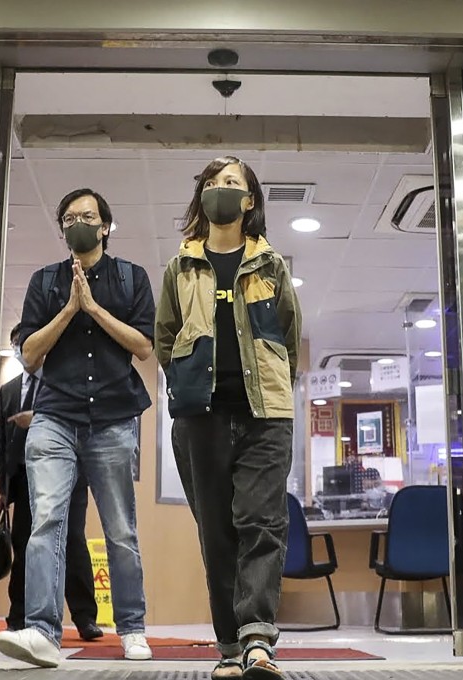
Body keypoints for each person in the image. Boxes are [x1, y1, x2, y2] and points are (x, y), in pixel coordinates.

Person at [0, 188, 156, 668]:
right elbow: (28, 354)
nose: (78, 223)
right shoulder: (45, 282)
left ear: (105, 225)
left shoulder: (131, 278)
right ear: (61, 229)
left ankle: (132, 628)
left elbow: (144, 346)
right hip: (55, 416)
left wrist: (94, 308)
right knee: (45, 520)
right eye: (68, 218)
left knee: (120, 530)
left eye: (87, 216)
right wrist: (69, 308)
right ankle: (43, 631)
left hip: (112, 418)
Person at [155, 156, 302, 680]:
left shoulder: (271, 265)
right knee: (217, 532)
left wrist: (273, 381)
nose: (221, 190)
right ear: (202, 199)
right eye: (213, 184)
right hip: (201, 417)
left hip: (266, 415)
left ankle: (258, 642)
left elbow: (288, 336)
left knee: (262, 525)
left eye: (231, 184)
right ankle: (228, 649)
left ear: (249, 201)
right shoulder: (180, 267)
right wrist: (187, 383)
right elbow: (165, 340)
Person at [0, 323, 102, 642]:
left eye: (24, 342)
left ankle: (85, 618)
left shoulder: (64, 383)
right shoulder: (9, 390)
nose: (20, 348)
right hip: (26, 477)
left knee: (72, 541)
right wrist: (4, 487)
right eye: (15, 343)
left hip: (68, 474)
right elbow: (3, 441)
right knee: (26, 541)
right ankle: (18, 616)